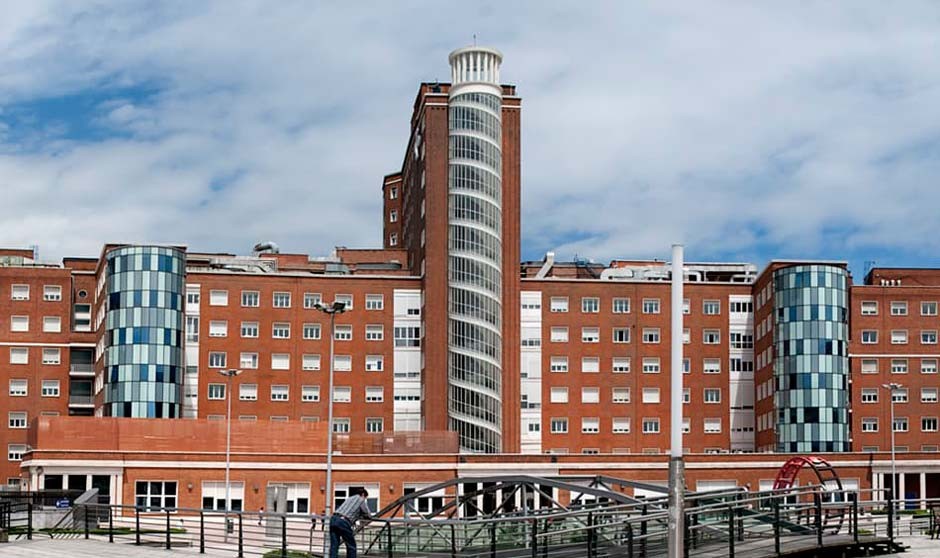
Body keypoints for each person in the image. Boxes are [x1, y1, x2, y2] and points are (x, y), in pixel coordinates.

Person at [330, 488, 372, 558]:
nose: (365, 499)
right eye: (365, 498)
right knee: (351, 545)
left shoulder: (349, 498)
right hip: (343, 521)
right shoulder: (360, 500)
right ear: (363, 494)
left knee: (334, 545)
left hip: (334, 519)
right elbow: (367, 514)